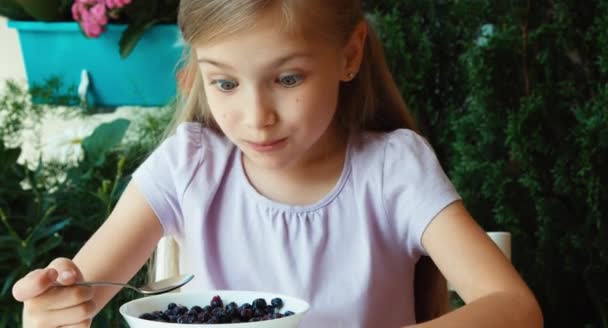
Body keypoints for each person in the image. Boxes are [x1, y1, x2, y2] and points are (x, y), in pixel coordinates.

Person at [11, 0, 543, 327]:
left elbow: (515, 308)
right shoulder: (187, 166)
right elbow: (78, 294)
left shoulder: (393, 173)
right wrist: (51, 310)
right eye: (225, 82)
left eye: (288, 79)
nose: (256, 117)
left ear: (349, 55)